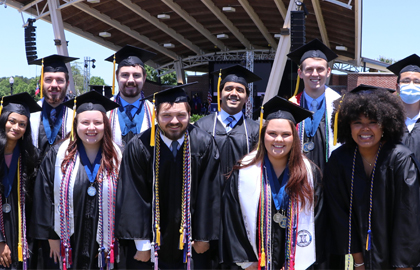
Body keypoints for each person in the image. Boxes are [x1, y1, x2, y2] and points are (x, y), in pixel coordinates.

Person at [116, 84, 221, 269]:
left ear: (190, 114)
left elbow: (210, 192)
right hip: (151, 245)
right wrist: (142, 243)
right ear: (156, 116)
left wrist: (203, 236)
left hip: (192, 243)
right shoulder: (140, 146)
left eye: (181, 115)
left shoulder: (203, 144)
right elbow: (133, 195)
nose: (174, 121)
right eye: (166, 116)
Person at [220, 96, 325, 270]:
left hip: (295, 260)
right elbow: (232, 218)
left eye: (286, 134)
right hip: (254, 262)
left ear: (294, 138)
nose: (278, 140)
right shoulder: (244, 172)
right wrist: (247, 261)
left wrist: (298, 260)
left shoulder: (309, 173)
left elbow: (318, 219)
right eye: (272, 134)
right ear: (263, 135)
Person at [324, 85, 420, 269]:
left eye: (373, 122)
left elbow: (408, 218)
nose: (365, 129)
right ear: (347, 125)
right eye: (357, 122)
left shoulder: (400, 159)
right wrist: (358, 263)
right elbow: (339, 215)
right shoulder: (340, 160)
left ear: (385, 123)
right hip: (354, 260)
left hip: (397, 260)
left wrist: (404, 266)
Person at [30, 91, 122, 269]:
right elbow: (44, 195)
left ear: (106, 125)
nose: (91, 128)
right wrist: (53, 236)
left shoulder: (117, 157)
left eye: (97, 122)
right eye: (85, 122)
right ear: (75, 124)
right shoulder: (57, 155)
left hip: (104, 237)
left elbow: (126, 199)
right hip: (67, 238)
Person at [195, 65, 261, 177]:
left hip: (241, 192)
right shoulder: (201, 127)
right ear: (220, 94)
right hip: (209, 192)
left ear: (246, 98)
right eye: (229, 89)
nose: (234, 93)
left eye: (240, 90)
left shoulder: (255, 130)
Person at [0, 93, 41, 270]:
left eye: (22, 124)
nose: (16, 127)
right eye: (12, 121)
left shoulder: (31, 156)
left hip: (21, 231)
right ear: (3, 121)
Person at [288, 39, 341, 172]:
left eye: (320, 69)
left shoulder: (340, 105)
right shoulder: (291, 106)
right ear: (300, 73)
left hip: (331, 178)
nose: (315, 74)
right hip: (298, 177)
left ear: (328, 72)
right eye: (309, 69)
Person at [105, 45, 156, 148]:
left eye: (136, 75)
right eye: (125, 75)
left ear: (144, 77)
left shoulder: (155, 113)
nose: (131, 80)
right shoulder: (104, 110)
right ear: (117, 76)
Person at [30, 54, 78, 159]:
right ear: (41, 83)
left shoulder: (77, 114)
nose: (54, 85)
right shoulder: (31, 113)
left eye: (60, 80)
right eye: (48, 80)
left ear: (67, 83)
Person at [387, 54, 420, 160]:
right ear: (397, 87)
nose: (411, 85)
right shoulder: (386, 121)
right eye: (406, 81)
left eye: (417, 81)